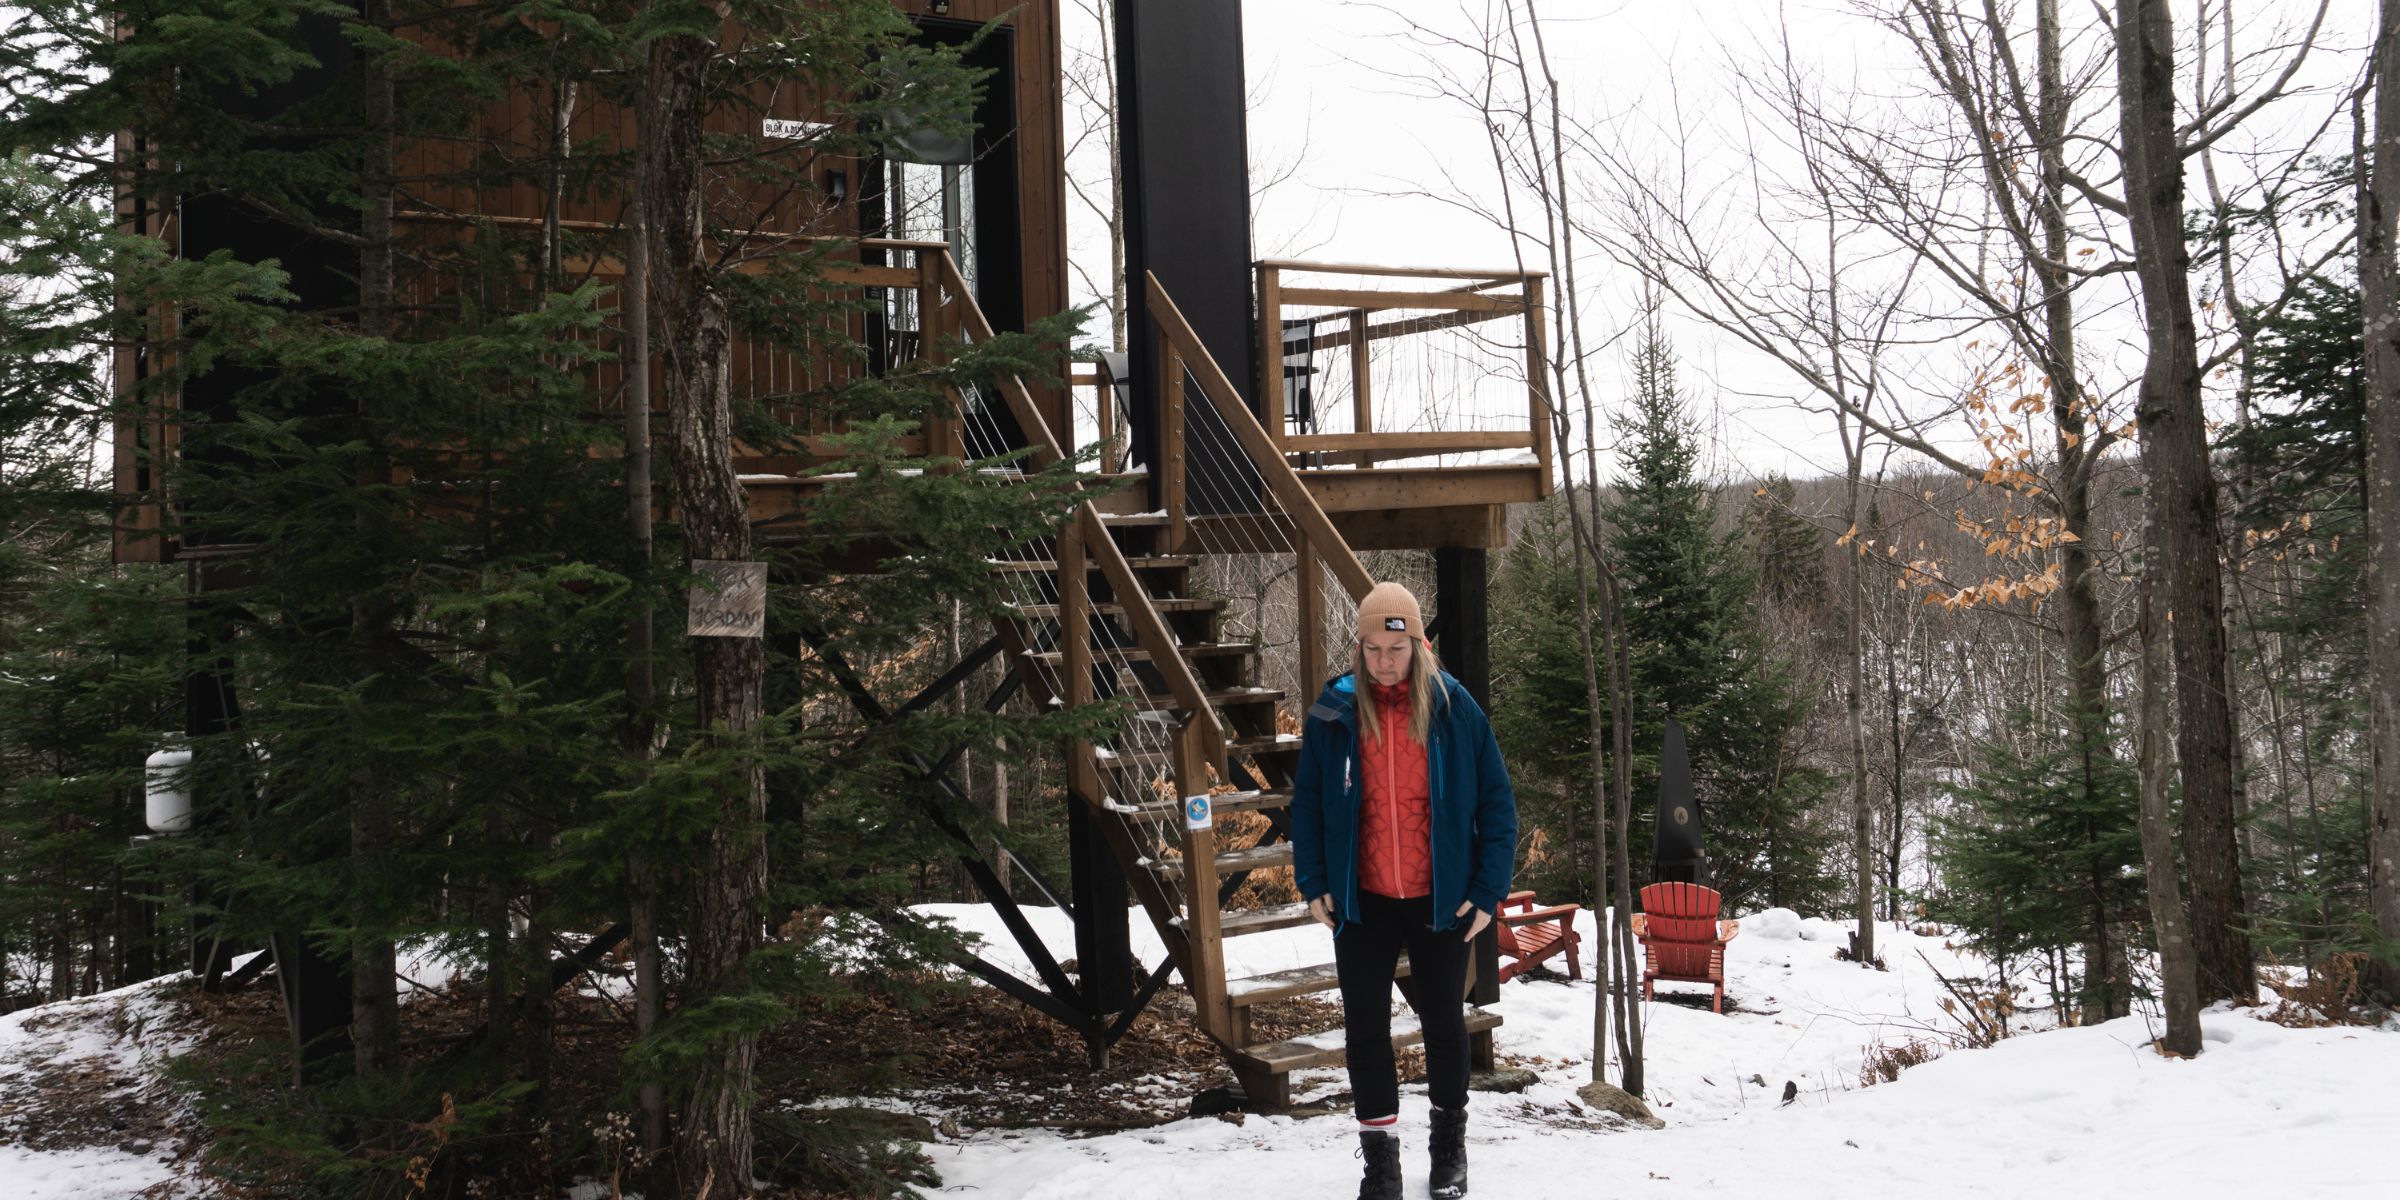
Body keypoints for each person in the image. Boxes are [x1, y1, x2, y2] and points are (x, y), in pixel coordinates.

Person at [1291, 581, 1518, 1200]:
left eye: (1396, 648)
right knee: (1365, 1030)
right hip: (1361, 898)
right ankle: (1381, 1165)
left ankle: (1449, 1150)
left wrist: (1488, 890)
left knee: (1444, 1022)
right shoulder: (1334, 711)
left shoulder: (1454, 708)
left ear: (1417, 644)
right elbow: (1307, 802)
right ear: (1360, 648)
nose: (1384, 662)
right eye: (1372, 650)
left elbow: (1498, 806)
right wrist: (1312, 879)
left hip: (1439, 899)